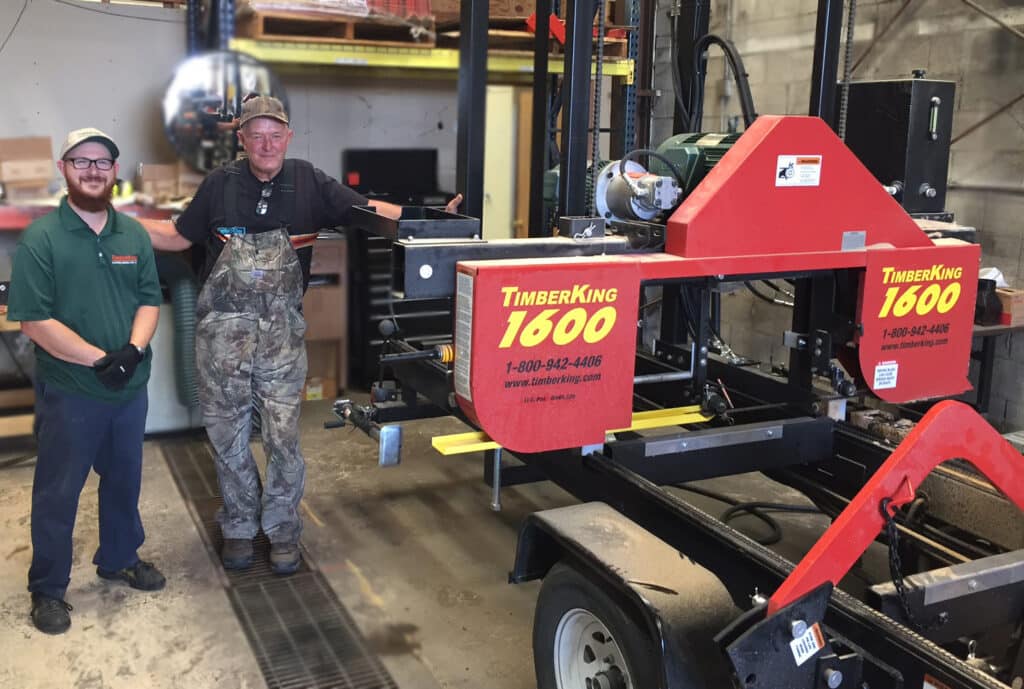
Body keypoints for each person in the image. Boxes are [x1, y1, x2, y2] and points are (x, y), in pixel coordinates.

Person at [144, 95, 461, 575]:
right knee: (227, 437)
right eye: (257, 135)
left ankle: (283, 531)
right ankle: (239, 527)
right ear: (242, 139)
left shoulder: (310, 182)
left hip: (281, 340)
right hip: (221, 340)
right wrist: (111, 223)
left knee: (282, 438)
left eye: (276, 135)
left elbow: (370, 209)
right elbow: (178, 235)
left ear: (288, 138)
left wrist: (429, 219)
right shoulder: (219, 185)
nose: (267, 144)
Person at [7, 128, 166, 635]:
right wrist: (101, 361)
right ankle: (48, 587)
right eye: (82, 161)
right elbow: (33, 321)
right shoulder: (42, 239)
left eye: (102, 162)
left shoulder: (133, 234)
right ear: (64, 169)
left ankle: (119, 558)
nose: (93, 171)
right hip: (72, 390)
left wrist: (132, 352)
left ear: (115, 171)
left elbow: (149, 299)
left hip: (129, 387)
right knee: (59, 491)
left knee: (124, 479)